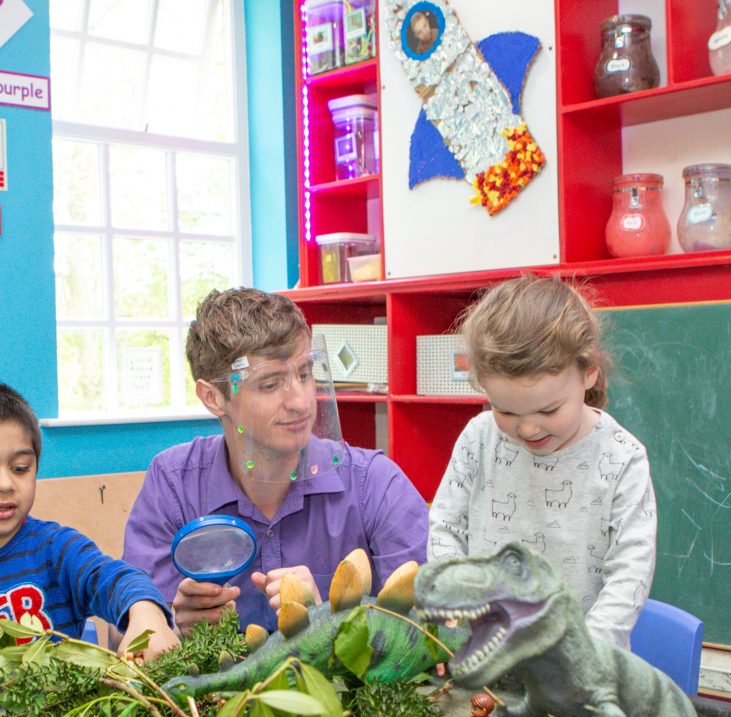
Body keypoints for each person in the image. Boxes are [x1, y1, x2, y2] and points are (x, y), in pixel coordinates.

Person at [124, 288, 429, 634]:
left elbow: (425, 632)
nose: (300, 402)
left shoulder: (375, 484)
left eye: (304, 374)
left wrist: (335, 621)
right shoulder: (173, 483)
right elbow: (128, 637)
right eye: (270, 385)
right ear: (212, 397)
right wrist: (173, 627)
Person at [428, 275, 656, 649]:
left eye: (548, 409)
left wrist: (586, 652)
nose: (528, 428)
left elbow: (630, 572)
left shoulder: (621, 458)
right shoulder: (479, 438)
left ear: (589, 372)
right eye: (504, 410)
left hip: (578, 668)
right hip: (483, 652)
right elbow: (446, 529)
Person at [0, 381, 179, 660]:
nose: (5, 484)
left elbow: (117, 579)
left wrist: (147, 613)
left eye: (20, 468)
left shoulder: (55, 549)